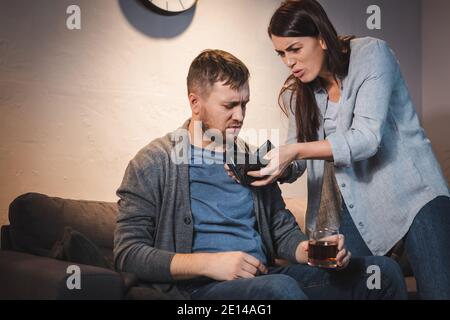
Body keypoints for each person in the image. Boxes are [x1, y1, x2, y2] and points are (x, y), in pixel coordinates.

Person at [114, 49, 407, 300]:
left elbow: (281, 232)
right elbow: (127, 252)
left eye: (244, 104)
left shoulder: (250, 159)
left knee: (383, 272)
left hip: (267, 276)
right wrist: (209, 264)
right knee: (279, 290)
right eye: (229, 105)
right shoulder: (154, 163)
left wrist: (310, 251)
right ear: (195, 104)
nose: (240, 116)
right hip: (199, 290)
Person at [231, 0, 450, 299]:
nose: (288, 61)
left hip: (413, 194)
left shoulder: (371, 54)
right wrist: (269, 165)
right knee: (356, 288)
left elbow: (367, 139)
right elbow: (297, 161)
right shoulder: (299, 95)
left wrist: (294, 151)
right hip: (354, 207)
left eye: (295, 48)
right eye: (281, 53)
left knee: (440, 292)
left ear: (321, 37)